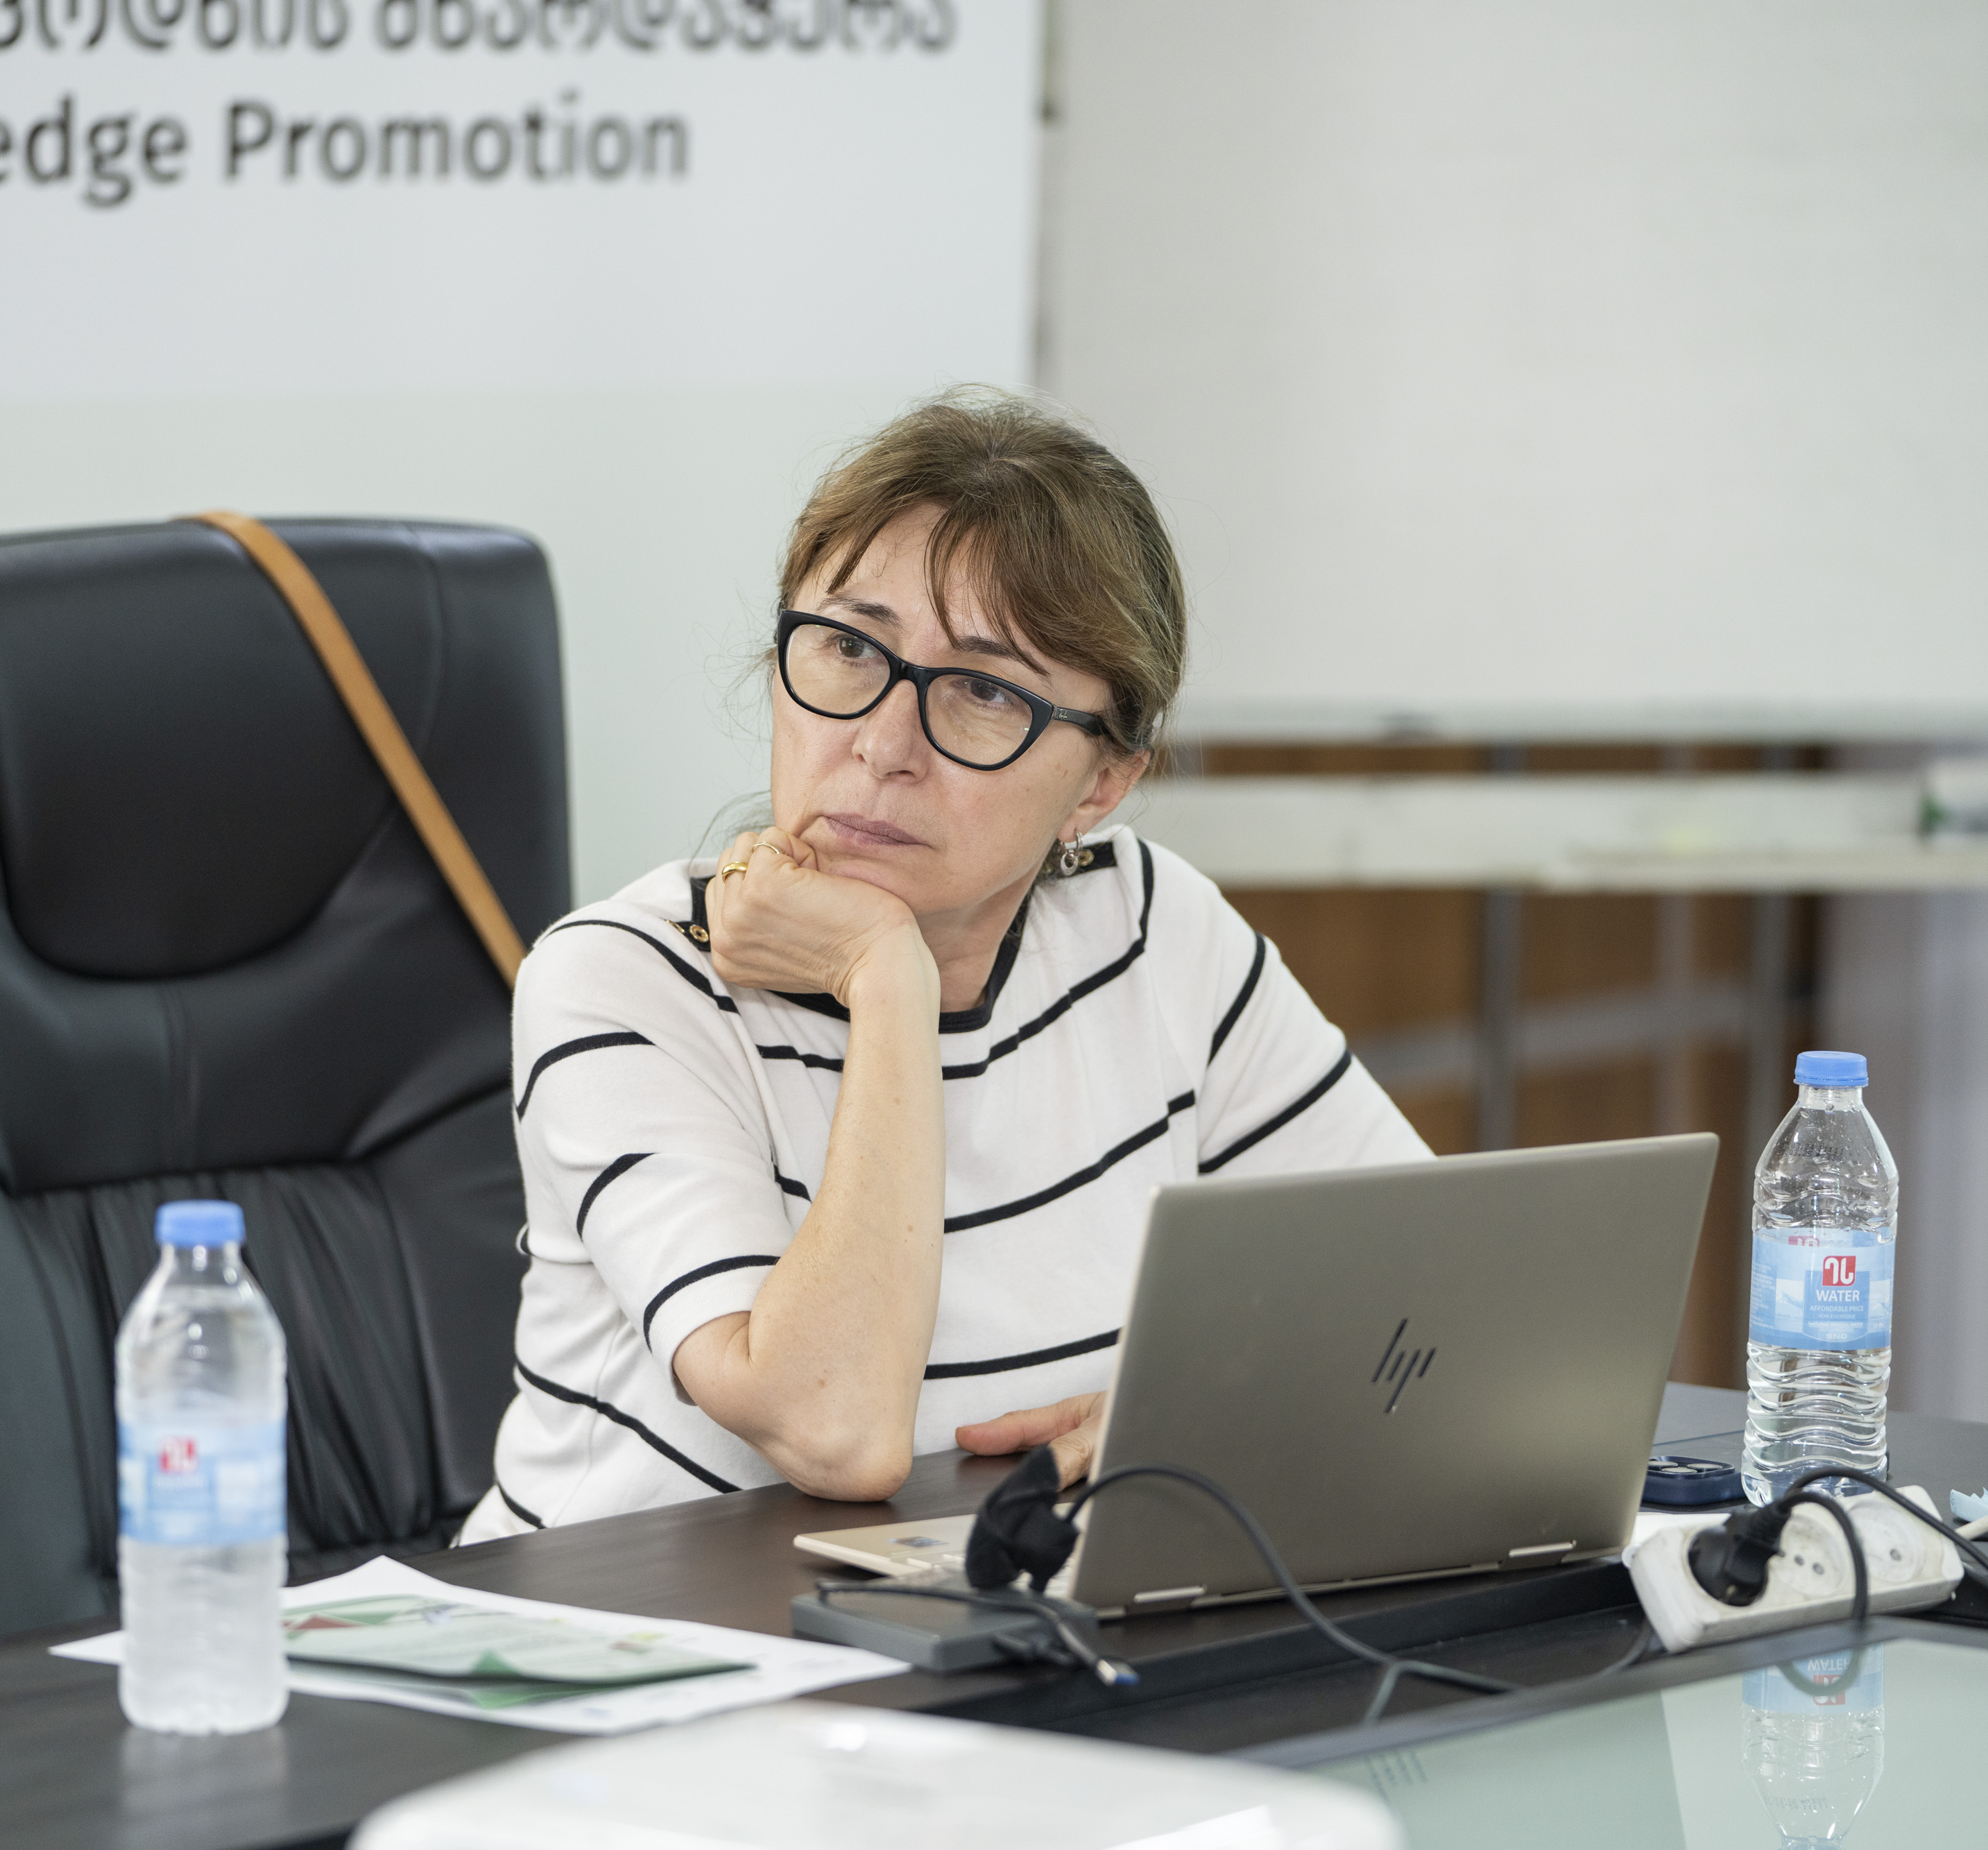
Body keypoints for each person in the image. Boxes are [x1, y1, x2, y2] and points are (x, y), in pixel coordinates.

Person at [455, 391, 1429, 1543]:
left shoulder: (1149, 927)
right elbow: (835, 1431)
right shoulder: (623, 981)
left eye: (983, 690)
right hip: (633, 1631)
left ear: (1103, 784)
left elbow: (1435, 1300)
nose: (880, 743)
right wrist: (888, 980)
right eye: (848, 647)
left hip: (988, 1612)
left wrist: (1196, 1412)